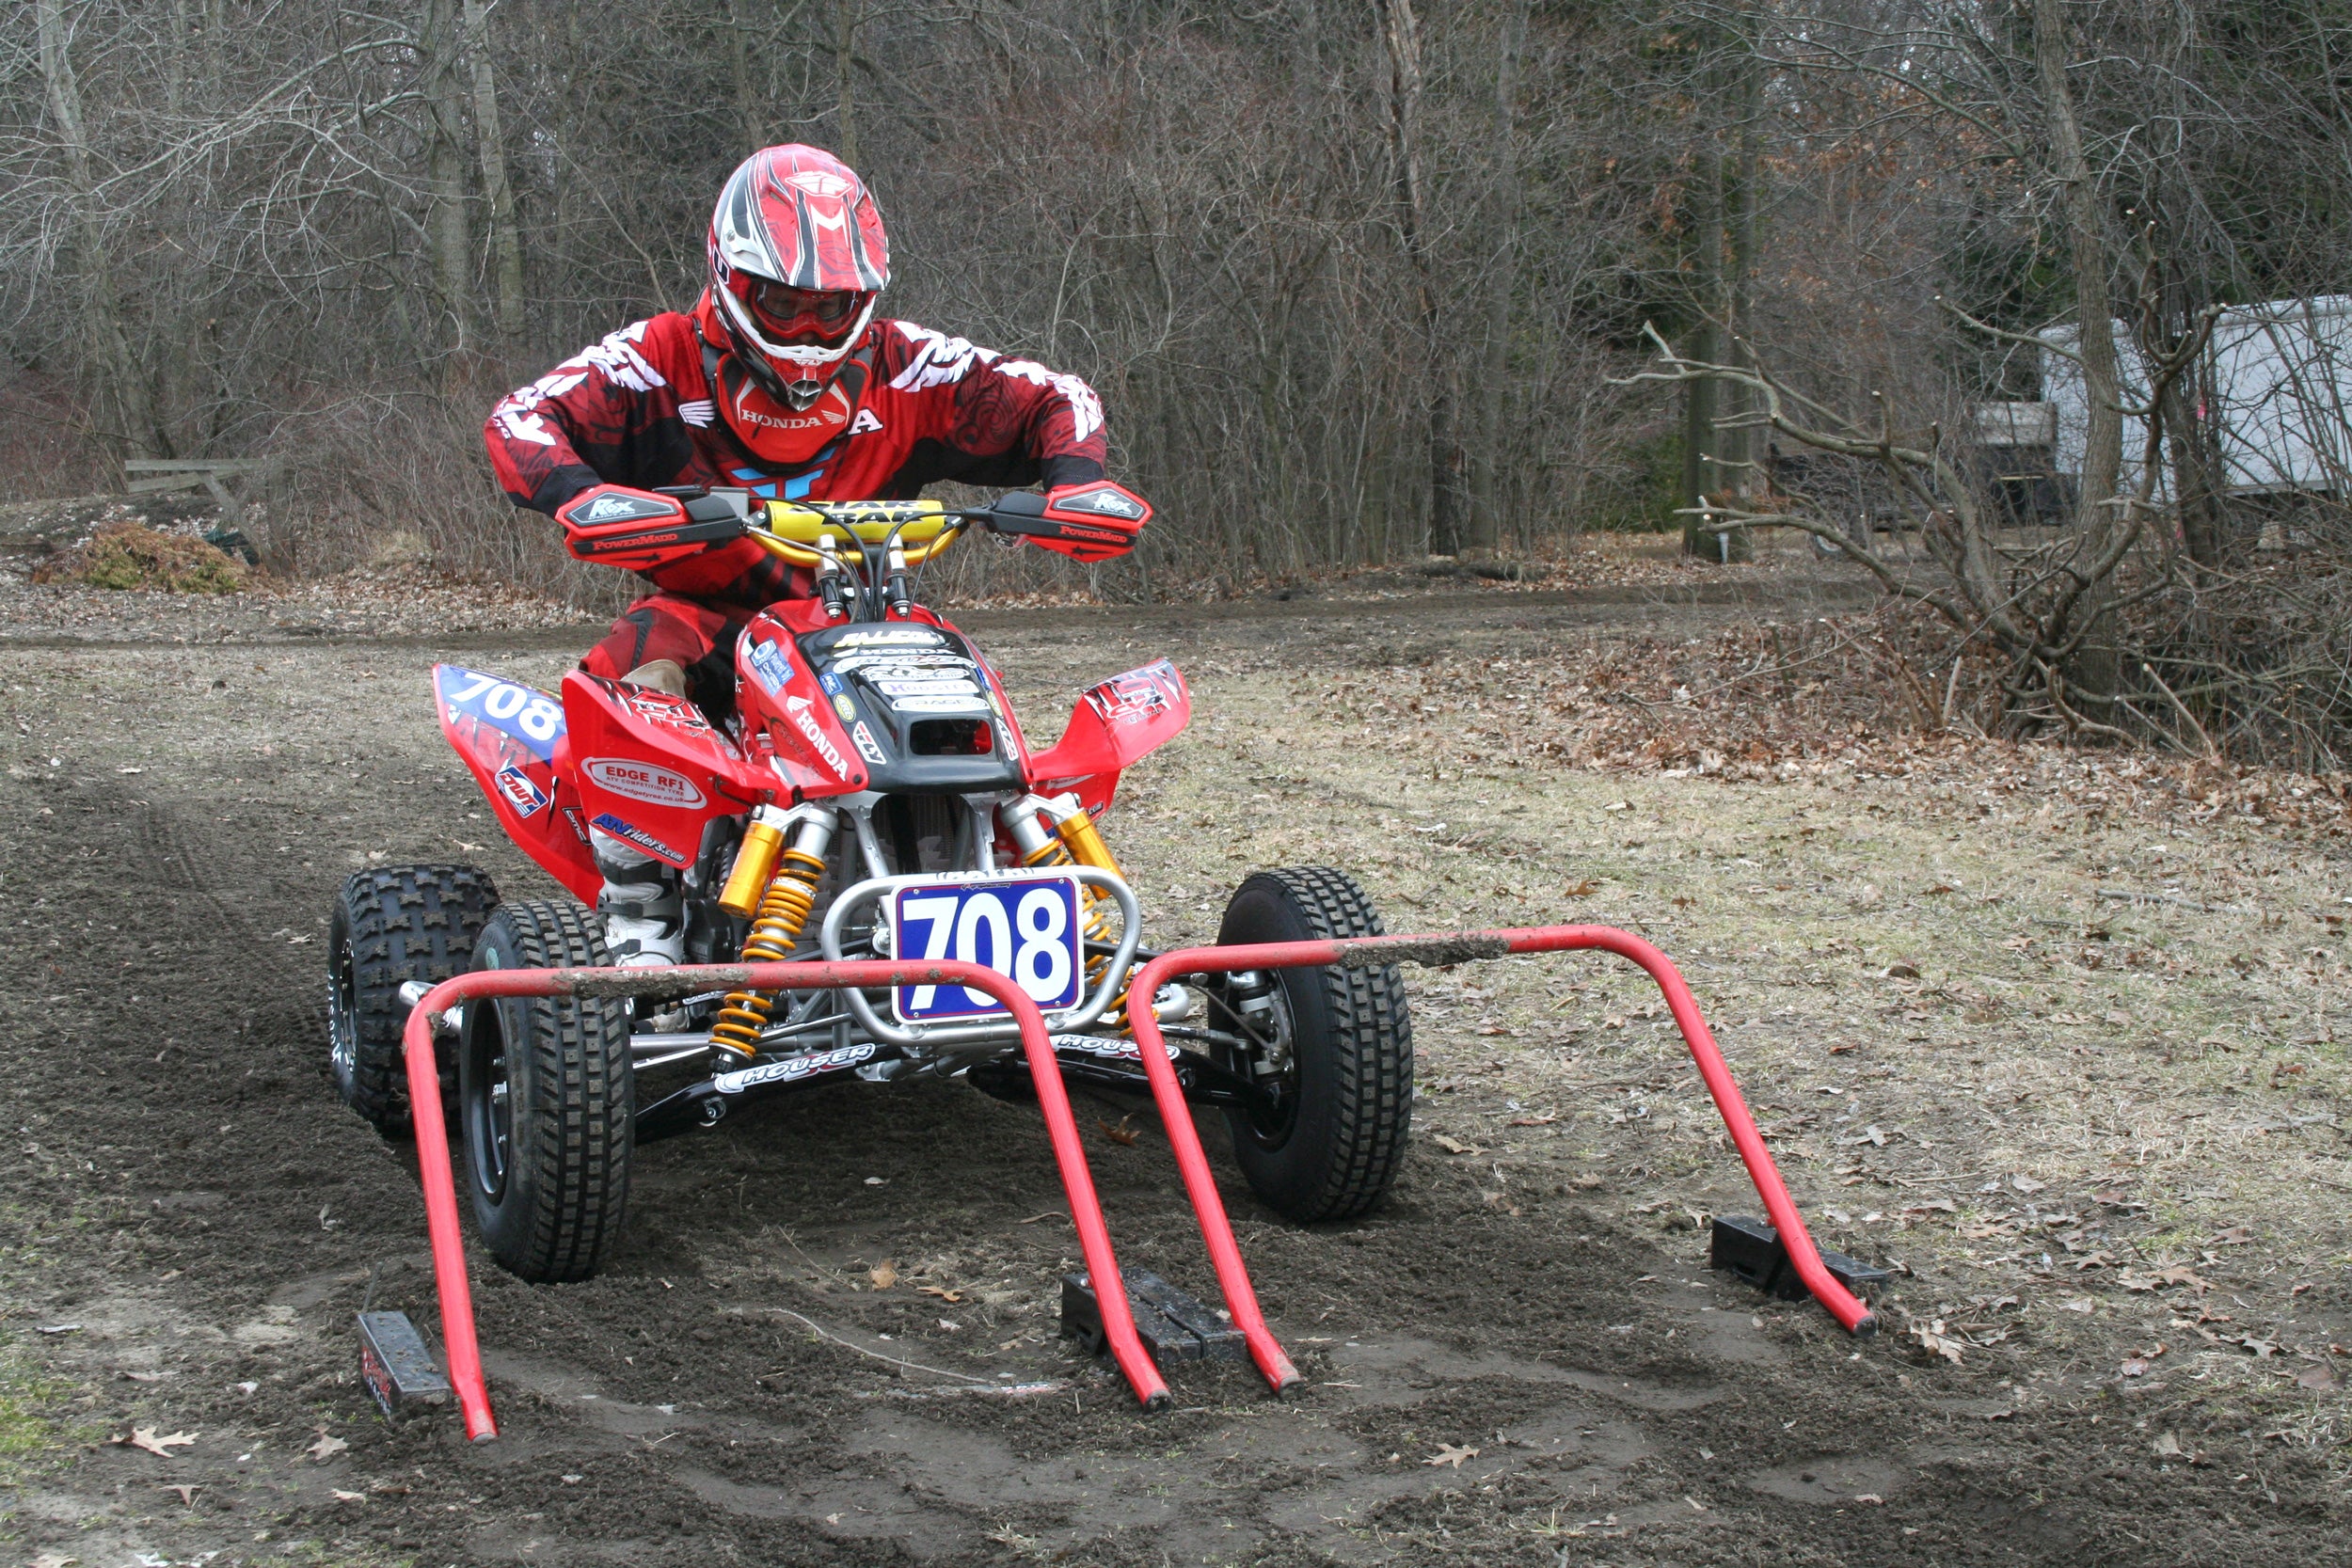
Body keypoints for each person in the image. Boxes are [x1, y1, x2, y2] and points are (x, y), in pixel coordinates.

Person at [484, 143, 1136, 969]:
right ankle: (641, 916)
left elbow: (1057, 394)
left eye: (833, 309)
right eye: (783, 304)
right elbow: (521, 417)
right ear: (728, 275)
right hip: (711, 618)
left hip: (862, 615)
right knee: (630, 679)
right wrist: (584, 495)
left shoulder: (907, 364)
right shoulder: (657, 357)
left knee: (975, 712)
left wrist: (1077, 481)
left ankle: (1021, 898)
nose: (807, 332)